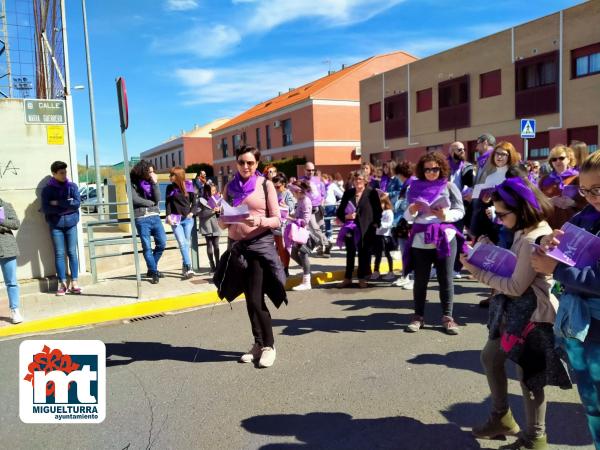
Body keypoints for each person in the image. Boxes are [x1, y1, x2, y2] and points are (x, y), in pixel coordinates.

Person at [461, 176, 570, 450]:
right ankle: (502, 419)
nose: (498, 219)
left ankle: (536, 438)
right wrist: (488, 251)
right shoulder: (524, 231)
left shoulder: (533, 237)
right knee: (491, 357)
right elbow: (514, 268)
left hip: (531, 317)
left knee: (529, 377)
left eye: (502, 214)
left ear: (521, 209)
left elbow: (516, 285)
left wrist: (477, 271)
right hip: (514, 313)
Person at [531, 151, 600, 449]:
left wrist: (556, 269)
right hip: (582, 329)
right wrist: (546, 243)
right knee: (593, 406)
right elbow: (563, 244)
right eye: (585, 190)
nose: (591, 197)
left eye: (597, 189)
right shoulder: (586, 215)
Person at [219, 145, 285, 368]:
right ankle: (258, 344)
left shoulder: (265, 185)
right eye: (241, 162)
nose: (245, 166)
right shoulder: (230, 187)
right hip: (237, 247)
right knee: (248, 300)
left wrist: (260, 221)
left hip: (258, 247)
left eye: (250, 163)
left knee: (257, 300)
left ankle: (269, 346)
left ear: (257, 164)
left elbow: (277, 219)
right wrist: (223, 218)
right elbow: (222, 222)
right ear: (236, 163)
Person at [403, 152, 465, 335]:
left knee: (445, 278)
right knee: (420, 280)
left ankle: (448, 317)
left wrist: (445, 216)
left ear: (441, 168)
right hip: (420, 238)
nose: (431, 172)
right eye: (427, 169)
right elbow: (407, 217)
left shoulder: (449, 186)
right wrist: (412, 210)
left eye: (435, 169)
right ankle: (418, 316)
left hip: (444, 235)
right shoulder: (413, 187)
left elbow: (460, 210)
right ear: (422, 170)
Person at [41, 161, 82, 296]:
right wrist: (67, 204)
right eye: (61, 173)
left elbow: (76, 204)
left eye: (65, 172)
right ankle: (62, 283)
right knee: (59, 253)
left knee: (72, 252)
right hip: (56, 225)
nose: (64, 175)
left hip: (71, 224)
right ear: (54, 174)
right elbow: (46, 208)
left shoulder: (72, 186)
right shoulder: (47, 190)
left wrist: (58, 203)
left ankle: (74, 282)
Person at [336, 170, 382, 289]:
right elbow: (340, 211)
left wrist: (376, 224)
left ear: (365, 180)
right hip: (350, 227)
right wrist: (346, 217)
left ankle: (362, 278)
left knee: (363, 254)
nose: (357, 182)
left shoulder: (371, 192)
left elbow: (378, 210)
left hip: (366, 228)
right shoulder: (348, 193)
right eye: (355, 179)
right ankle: (347, 278)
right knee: (350, 253)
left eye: (360, 179)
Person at [130, 160, 167, 284]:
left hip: (155, 216)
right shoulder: (132, 182)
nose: (152, 174)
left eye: (153, 171)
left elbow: (158, 199)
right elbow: (134, 199)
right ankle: (154, 271)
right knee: (147, 247)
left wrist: (155, 183)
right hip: (141, 218)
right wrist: (150, 203)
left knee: (162, 243)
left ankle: (152, 269)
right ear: (143, 171)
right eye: (149, 172)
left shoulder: (152, 181)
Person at [539, 145, 586, 230]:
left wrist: (573, 203)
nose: (557, 161)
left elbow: (588, 203)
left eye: (561, 158)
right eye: (554, 159)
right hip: (548, 226)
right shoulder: (544, 180)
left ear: (569, 159)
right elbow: (536, 202)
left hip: (572, 225)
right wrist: (550, 201)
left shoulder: (578, 178)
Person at [448, 141, 475, 278]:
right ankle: (442, 265)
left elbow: (472, 185)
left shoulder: (467, 167)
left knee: (458, 236)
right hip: (445, 205)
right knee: (444, 237)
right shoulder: (444, 166)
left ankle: (457, 268)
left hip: (461, 206)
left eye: (463, 149)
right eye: (459, 149)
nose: (462, 151)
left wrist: (467, 197)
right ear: (451, 151)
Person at [165, 167, 196, 279]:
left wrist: (192, 213)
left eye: (171, 175)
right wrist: (168, 216)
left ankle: (184, 266)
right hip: (175, 220)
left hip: (188, 220)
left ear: (177, 176)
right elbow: (168, 203)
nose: (169, 177)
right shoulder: (169, 187)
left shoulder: (189, 186)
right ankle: (189, 267)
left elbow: (195, 203)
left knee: (187, 243)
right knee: (182, 243)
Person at [391, 161, 415, 289]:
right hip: (403, 221)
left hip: (408, 221)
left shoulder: (410, 184)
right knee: (405, 250)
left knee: (409, 251)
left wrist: (397, 204)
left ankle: (412, 278)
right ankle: (406, 276)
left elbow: (406, 204)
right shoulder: (407, 184)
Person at [0, 197, 23, 323]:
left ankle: (15, 310)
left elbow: (16, 224)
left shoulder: (6, 205)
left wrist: (2, 221)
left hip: (7, 248)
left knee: (11, 282)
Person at [288, 180, 313, 291]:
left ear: (298, 191)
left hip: (303, 233)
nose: (292, 194)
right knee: (294, 253)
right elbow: (298, 215)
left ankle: (307, 281)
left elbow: (305, 220)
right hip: (298, 232)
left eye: (293, 192)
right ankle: (306, 272)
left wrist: (290, 218)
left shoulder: (305, 201)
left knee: (303, 255)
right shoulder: (300, 200)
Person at [301, 162, 330, 256]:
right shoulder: (301, 181)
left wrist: (322, 202)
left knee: (319, 229)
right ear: (304, 170)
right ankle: (327, 243)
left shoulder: (318, 181)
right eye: (309, 170)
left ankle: (321, 249)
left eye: (313, 170)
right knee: (314, 229)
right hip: (309, 209)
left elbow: (323, 194)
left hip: (319, 208)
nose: (311, 172)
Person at [197, 182, 222, 274]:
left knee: (216, 245)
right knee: (209, 245)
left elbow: (221, 213)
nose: (213, 192)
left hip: (216, 225)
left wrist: (219, 211)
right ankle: (212, 265)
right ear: (207, 191)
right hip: (207, 225)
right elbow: (199, 214)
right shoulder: (201, 200)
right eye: (212, 191)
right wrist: (212, 211)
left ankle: (218, 264)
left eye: (215, 190)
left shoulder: (218, 199)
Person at [371, 195, 396, 281]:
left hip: (385, 236)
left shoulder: (389, 212)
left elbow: (389, 224)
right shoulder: (378, 211)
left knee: (387, 254)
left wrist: (380, 225)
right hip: (377, 235)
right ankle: (376, 271)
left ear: (385, 203)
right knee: (377, 254)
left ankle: (391, 271)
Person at [323, 173, 343, 242]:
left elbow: (340, 194)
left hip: (331, 205)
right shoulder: (320, 186)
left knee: (334, 218)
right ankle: (328, 235)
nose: (323, 181)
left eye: (324, 179)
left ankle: (331, 235)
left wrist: (342, 200)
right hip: (323, 206)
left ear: (327, 179)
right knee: (327, 221)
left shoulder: (332, 185)